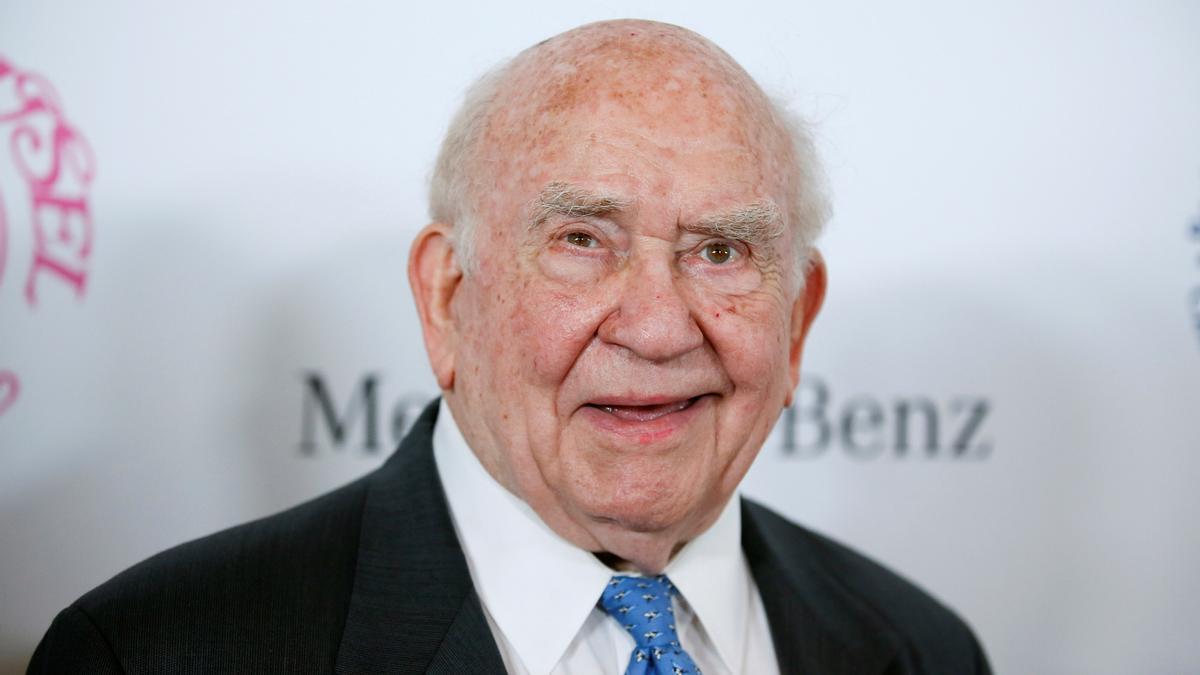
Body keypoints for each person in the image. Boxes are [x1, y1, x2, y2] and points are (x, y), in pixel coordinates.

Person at [29, 19, 990, 675]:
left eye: (722, 250)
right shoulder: (156, 651)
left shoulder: (921, 649)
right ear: (448, 300)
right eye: (582, 241)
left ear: (798, 318)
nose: (657, 329)